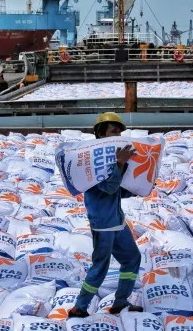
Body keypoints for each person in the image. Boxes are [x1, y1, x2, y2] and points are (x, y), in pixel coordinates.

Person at [69, 112, 143, 318]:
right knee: (100, 266)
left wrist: (141, 187)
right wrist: (119, 164)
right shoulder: (95, 161)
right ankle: (80, 307)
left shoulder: (113, 157)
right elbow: (109, 188)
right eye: (113, 131)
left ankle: (120, 302)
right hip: (103, 224)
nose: (118, 134)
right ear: (101, 133)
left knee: (132, 258)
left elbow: (118, 191)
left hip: (117, 221)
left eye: (120, 131)